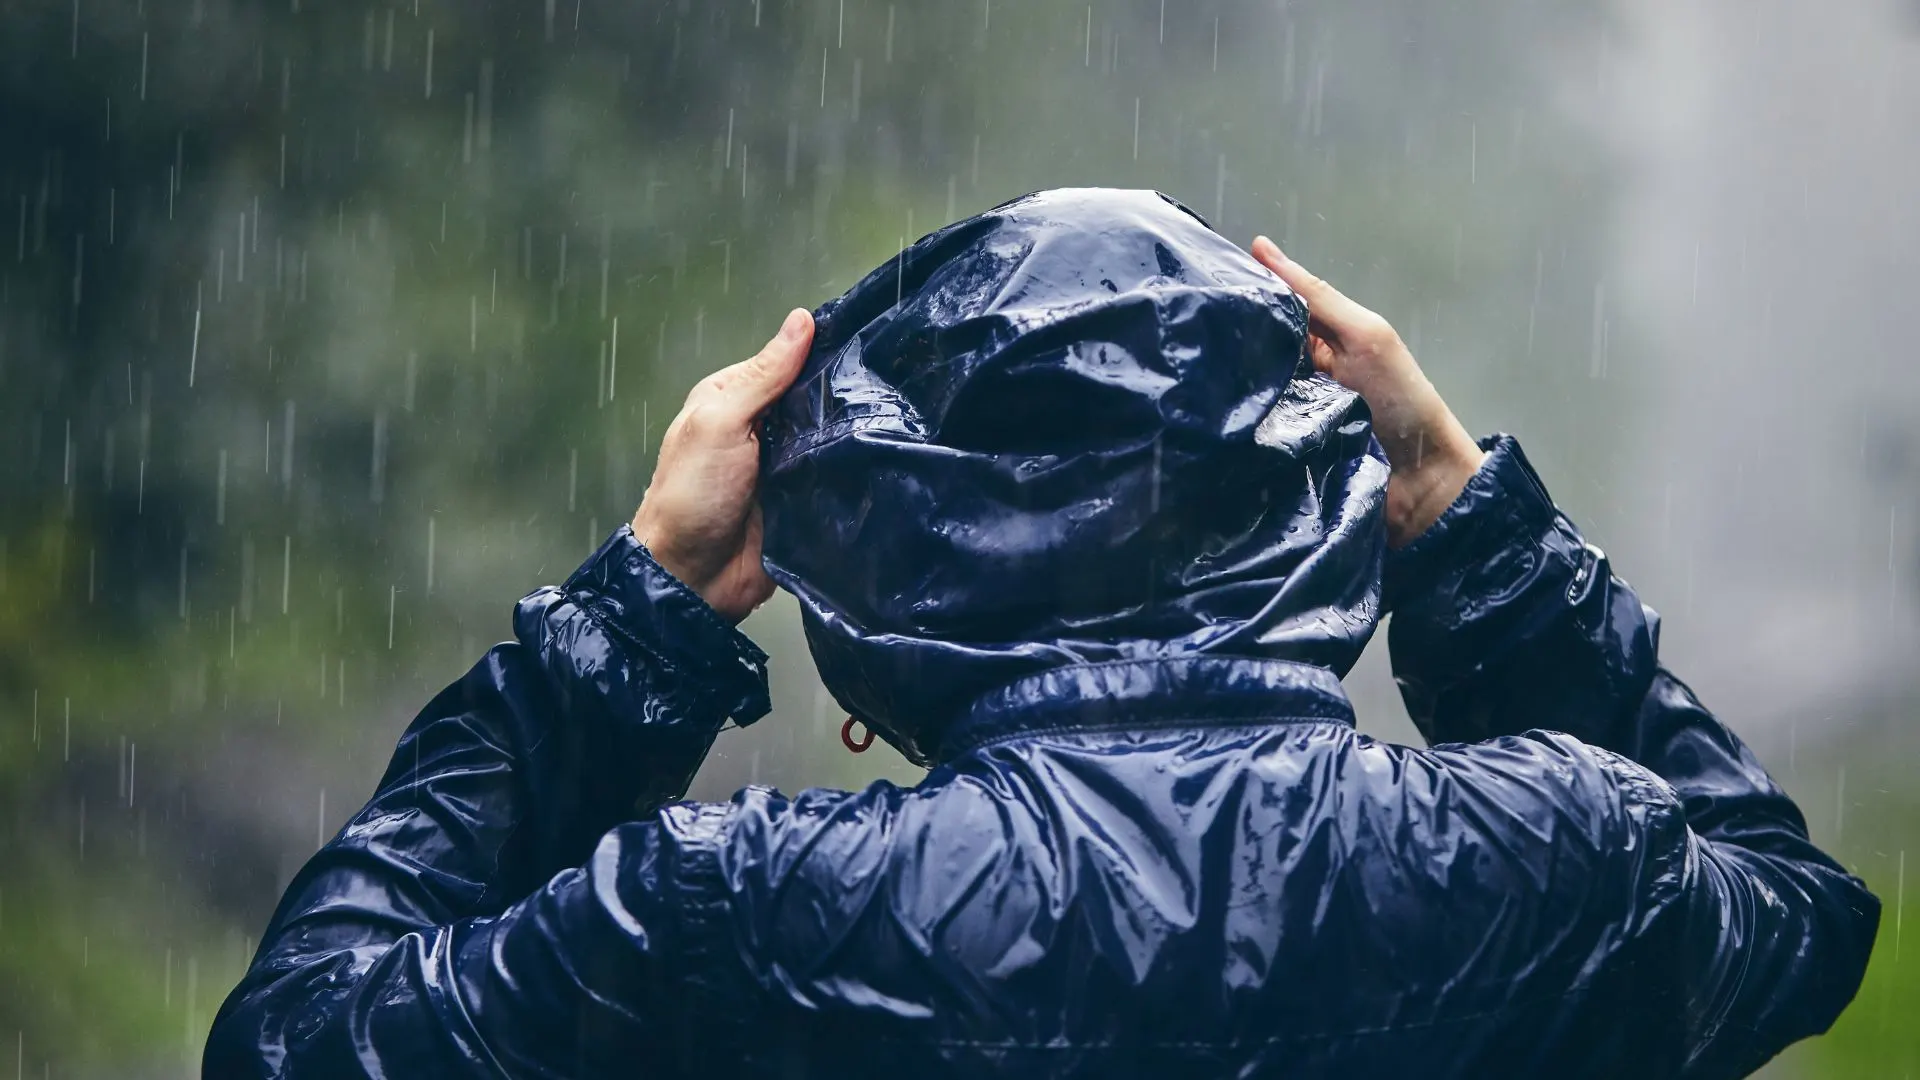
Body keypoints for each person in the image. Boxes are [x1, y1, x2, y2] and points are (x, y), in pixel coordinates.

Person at [204, 189, 1877, 1079]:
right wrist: (1464, 511)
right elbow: (1800, 919)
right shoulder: (1562, 864)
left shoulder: (741, 915)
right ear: (1320, 506)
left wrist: (636, 607)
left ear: (881, 562)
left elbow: (291, 1051)